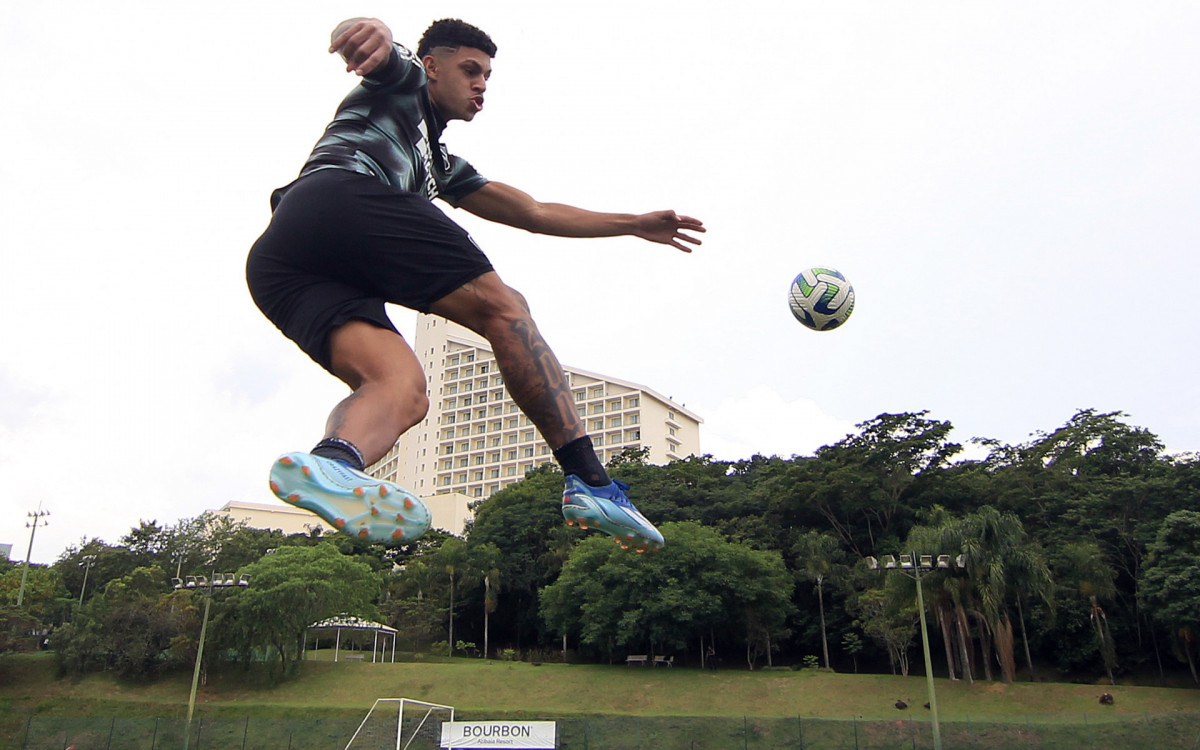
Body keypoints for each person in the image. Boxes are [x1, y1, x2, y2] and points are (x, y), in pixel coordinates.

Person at [247, 17, 704, 549]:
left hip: (286, 263)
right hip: (341, 193)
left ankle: (332, 464)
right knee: (505, 307)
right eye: (470, 70)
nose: (481, 84)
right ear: (433, 66)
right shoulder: (406, 83)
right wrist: (367, 30)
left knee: (403, 390)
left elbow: (532, 211)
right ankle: (591, 480)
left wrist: (632, 224)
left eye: (487, 75)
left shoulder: (439, 165)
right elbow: (386, 52)